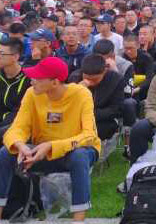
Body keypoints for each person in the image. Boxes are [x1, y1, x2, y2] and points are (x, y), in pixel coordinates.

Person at [0, 56, 100, 222]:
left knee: (80, 156)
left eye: (37, 78)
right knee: (5, 153)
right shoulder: (31, 94)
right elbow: (17, 128)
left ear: (54, 82)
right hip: (40, 152)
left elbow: (89, 135)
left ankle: (78, 219)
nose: (32, 81)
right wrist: (20, 145)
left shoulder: (81, 94)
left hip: (72, 152)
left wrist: (52, 146)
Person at [69, 54, 124, 141]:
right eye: (87, 79)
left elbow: (116, 109)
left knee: (100, 130)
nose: (90, 83)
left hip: (102, 119)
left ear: (104, 71)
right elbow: (69, 106)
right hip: (78, 118)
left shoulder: (116, 80)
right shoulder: (75, 78)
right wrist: (77, 91)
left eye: (94, 80)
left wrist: (89, 114)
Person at [0, 37, 30, 140]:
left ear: (15, 57)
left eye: (1, 54)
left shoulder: (29, 80)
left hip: (15, 126)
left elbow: (22, 112)